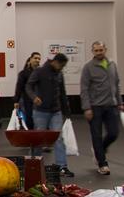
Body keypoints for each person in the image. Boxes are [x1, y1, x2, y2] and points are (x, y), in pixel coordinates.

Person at [26, 53, 74, 177]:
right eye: (61, 65)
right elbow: (28, 86)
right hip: (40, 111)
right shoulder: (40, 71)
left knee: (58, 138)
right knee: (39, 138)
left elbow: (63, 93)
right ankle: (35, 163)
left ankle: (62, 167)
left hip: (55, 111)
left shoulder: (59, 74)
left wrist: (67, 111)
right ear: (55, 62)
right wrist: (34, 97)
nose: (62, 68)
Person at [80, 41, 122, 175]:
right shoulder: (88, 67)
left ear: (105, 50)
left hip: (111, 105)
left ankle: (100, 150)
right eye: (96, 50)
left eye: (101, 50)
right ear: (93, 52)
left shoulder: (112, 64)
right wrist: (87, 108)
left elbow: (116, 84)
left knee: (114, 133)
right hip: (95, 107)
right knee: (96, 135)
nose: (99, 52)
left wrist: (119, 102)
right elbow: (84, 88)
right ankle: (102, 163)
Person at [15, 52, 41, 129]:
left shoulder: (41, 73)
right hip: (26, 99)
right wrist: (16, 100)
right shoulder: (23, 73)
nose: (37, 60)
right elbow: (19, 87)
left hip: (38, 99)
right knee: (28, 117)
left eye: (39, 59)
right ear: (30, 60)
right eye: (35, 58)